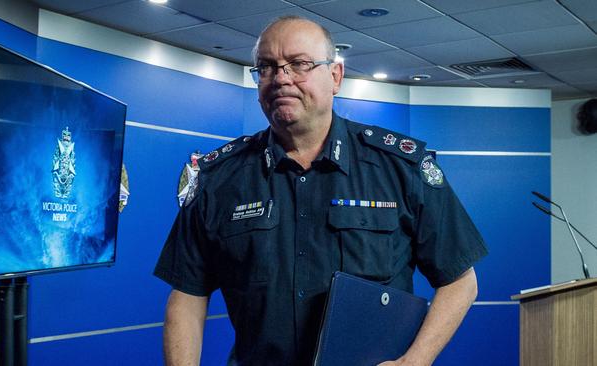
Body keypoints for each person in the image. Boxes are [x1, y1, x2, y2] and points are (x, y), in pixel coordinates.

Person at [154, 15, 488, 366]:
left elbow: (461, 281)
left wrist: (414, 361)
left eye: (299, 64)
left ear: (335, 76)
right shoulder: (220, 179)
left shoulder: (399, 168)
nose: (281, 78)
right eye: (266, 67)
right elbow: (187, 294)